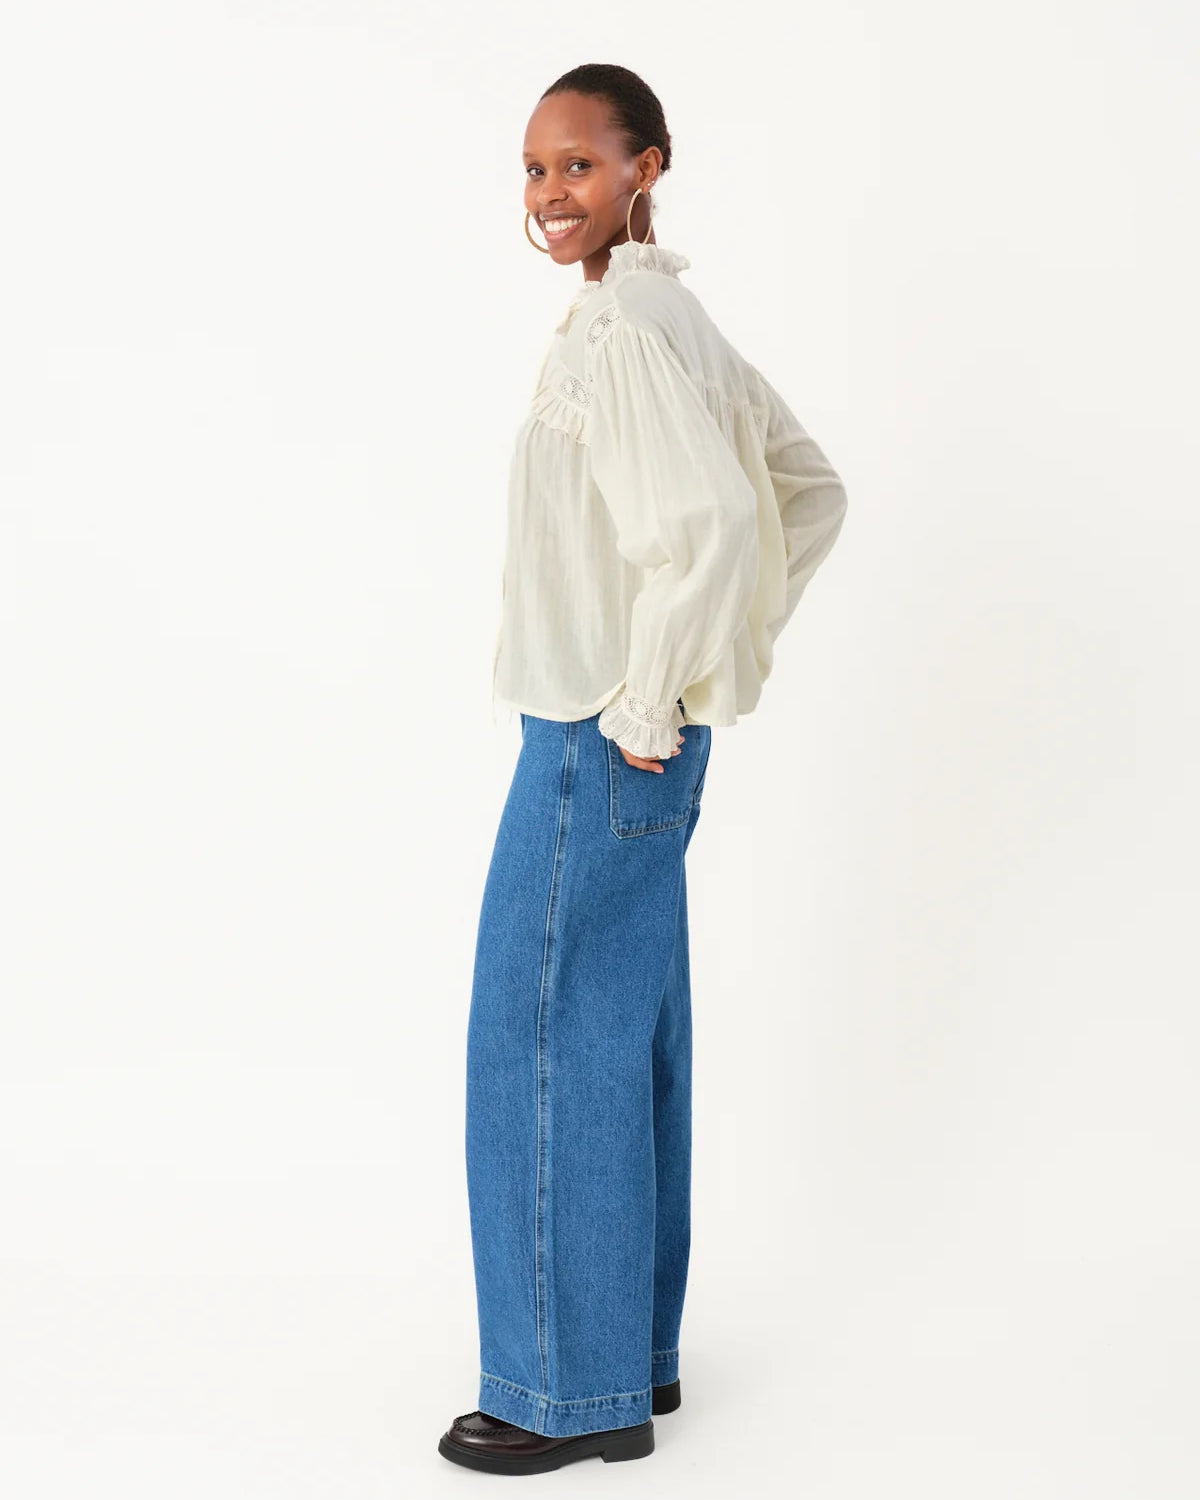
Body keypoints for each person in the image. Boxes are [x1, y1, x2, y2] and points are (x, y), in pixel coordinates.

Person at [438, 63, 848, 1476]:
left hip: (598, 733)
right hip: (644, 733)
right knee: (621, 1043)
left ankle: (565, 1396)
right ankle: (628, 1367)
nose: (553, 194)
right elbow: (808, 489)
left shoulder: (624, 328)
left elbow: (719, 517)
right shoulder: (671, 311)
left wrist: (652, 688)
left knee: (541, 1046)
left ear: (646, 168)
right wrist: (699, 667)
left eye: (581, 167)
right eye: (537, 170)